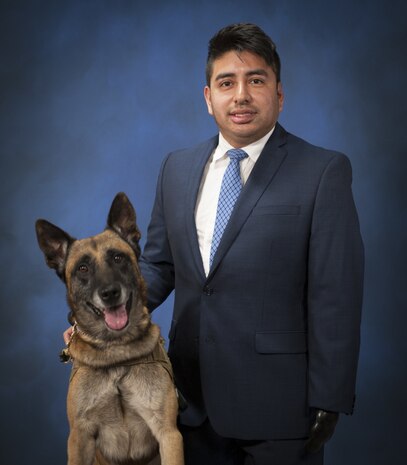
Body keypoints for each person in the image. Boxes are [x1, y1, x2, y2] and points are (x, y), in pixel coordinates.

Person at [65, 23, 364, 465]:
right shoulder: (177, 169)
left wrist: (330, 394)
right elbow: (157, 267)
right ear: (209, 98)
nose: (240, 95)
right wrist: (87, 314)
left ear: (279, 95)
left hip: (281, 407)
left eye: (256, 80)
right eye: (227, 83)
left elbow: (336, 293)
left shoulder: (322, 172)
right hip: (189, 402)